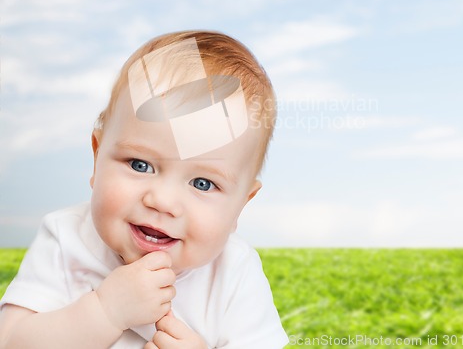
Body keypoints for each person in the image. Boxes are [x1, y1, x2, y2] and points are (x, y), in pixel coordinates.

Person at [0, 30, 288, 349]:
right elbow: (10, 341)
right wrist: (104, 312)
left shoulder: (235, 273)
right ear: (97, 158)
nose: (162, 201)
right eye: (140, 165)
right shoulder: (66, 238)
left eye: (202, 183)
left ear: (240, 206)